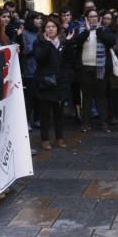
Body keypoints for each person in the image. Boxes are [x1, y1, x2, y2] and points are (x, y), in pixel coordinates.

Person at [33, 18, 73, 149]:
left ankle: (60, 138)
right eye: (48, 27)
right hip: (46, 82)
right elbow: (39, 58)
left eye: (53, 26)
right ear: (44, 29)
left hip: (60, 82)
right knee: (45, 113)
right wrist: (47, 44)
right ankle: (45, 139)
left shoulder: (62, 42)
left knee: (59, 113)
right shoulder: (40, 42)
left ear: (58, 28)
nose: (50, 29)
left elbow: (68, 59)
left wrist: (68, 43)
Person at [75, 6, 115, 132]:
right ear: (86, 18)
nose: (93, 19)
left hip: (100, 68)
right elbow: (76, 42)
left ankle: (104, 122)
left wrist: (98, 31)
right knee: (87, 97)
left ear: (99, 19)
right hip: (85, 68)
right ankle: (86, 122)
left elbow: (111, 41)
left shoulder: (104, 30)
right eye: (90, 17)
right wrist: (87, 31)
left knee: (101, 96)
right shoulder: (81, 30)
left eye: (95, 17)